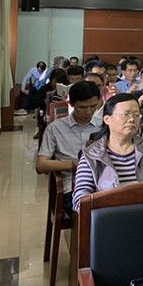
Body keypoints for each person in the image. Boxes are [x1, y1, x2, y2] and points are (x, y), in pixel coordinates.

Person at [72, 93, 143, 211]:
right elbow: (80, 199)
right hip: (109, 216)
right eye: (125, 114)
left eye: (136, 115)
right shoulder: (92, 154)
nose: (132, 119)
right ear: (107, 119)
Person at [36, 81, 104, 211]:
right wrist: (76, 164)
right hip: (72, 187)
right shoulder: (55, 128)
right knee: (93, 211)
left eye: (93, 106)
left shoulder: (103, 126)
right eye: (82, 107)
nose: (89, 111)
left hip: (103, 184)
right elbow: (41, 165)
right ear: (71, 103)